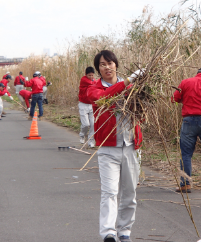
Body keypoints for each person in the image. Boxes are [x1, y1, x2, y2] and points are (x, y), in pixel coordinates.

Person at [87, 50, 143, 242]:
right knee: (109, 192)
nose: (107, 67)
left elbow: (141, 114)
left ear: (116, 65)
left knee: (130, 193)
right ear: (98, 69)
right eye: (102, 65)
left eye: (110, 63)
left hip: (131, 146)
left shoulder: (133, 87)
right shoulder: (94, 89)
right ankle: (108, 233)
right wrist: (127, 82)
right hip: (108, 148)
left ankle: (124, 231)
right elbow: (104, 98)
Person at [78, 66, 96, 147]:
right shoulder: (84, 80)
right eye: (89, 75)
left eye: (92, 75)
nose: (91, 77)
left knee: (93, 124)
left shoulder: (93, 80)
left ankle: (91, 141)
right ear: (86, 75)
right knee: (86, 124)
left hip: (91, 105)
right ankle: (82, 135)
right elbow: (94, 84)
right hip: (83, 104)